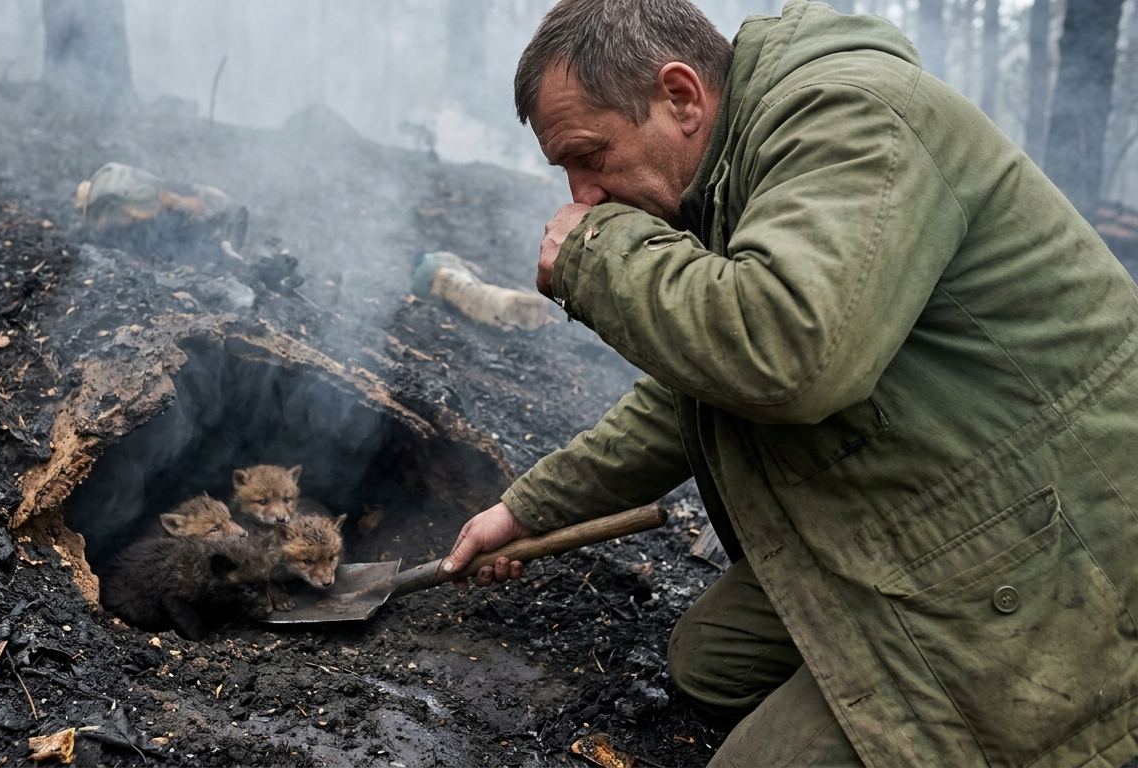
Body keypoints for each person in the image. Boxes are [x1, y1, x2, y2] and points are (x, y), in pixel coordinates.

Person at [440, 0, 1138, 765]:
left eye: (590, 154)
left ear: (681, 96)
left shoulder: (849, 118)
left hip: (1057, 535)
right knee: (710, 661)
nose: (582, 195)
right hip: (938, 496)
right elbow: (698, 397)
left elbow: (789, 357)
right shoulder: (730, 174)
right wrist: (528, 508)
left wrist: (596, 255)